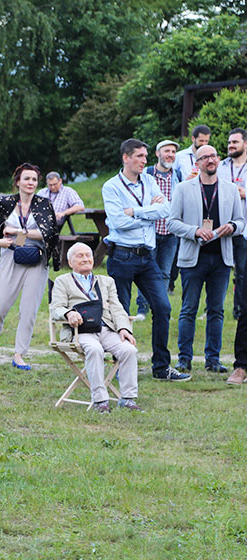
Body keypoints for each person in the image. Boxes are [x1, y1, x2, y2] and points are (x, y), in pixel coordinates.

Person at [102, 138, 188, 382]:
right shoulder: (111, 186)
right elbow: (118, 222)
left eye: (145, 156)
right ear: (126, 158)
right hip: (122, 256)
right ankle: (120, 367)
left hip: (147, 257)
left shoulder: (149, 181)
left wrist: (136, 211)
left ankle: (161, 367)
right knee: (120, 312)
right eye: (139, 156)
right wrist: (149, 212)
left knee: (163, 307)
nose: (144, 161)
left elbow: (166, 210)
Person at [167, 144, 245, 373]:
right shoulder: (183, 189)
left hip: (221, 259)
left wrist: (232, 226)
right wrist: (194, 231)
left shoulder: (230, 189)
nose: (210, 160)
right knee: (188, 309)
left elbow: (241, 221)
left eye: (213, 156)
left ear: (218, 159)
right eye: (205, 157)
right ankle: (184, 358)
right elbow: (172, 223)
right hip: (193, 259)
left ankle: (213, 359)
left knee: (216, 310)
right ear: (197, 163)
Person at [0, 163, 58, 370]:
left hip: (36, 259)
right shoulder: (5, 203)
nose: (31, 183)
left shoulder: (44, 204)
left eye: (34, 179)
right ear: (18, 182)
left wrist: (18, 232)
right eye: (26, 178)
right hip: (10, 256)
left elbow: (49, 233)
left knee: (28, 310)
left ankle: (20, 353)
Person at [49, 243, 141, 413]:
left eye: (88, 255)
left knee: (129, 350)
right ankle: (100, 401)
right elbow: (55, 308)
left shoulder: (106, 282)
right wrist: (69, 313)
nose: (85, 259)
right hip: (81, 332)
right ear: (70, 262)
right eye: (80, 256)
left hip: (106, 329)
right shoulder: (63, 281)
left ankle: (128, 399)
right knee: (94, 349)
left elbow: (117, 308)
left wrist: (124, 329)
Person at [135, 140, 184, 320]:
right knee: (145, 271)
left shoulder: (178, 175)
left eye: (173, 152)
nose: (170, 155)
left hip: (171, 233)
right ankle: (142, 309)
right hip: (151, 231)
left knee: (165, 273)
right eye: (166, 151)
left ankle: (160, 309)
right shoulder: (147, 173)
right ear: (157, 154)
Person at [219, 128, 247, 319]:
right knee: (217, 271)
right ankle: (212, 309)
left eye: (235, 142)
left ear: (245, 144)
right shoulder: (221, 166)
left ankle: (240, 310)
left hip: (244, 229)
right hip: (222, 228)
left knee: (242, 272)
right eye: (229, 142)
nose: (231, 145)